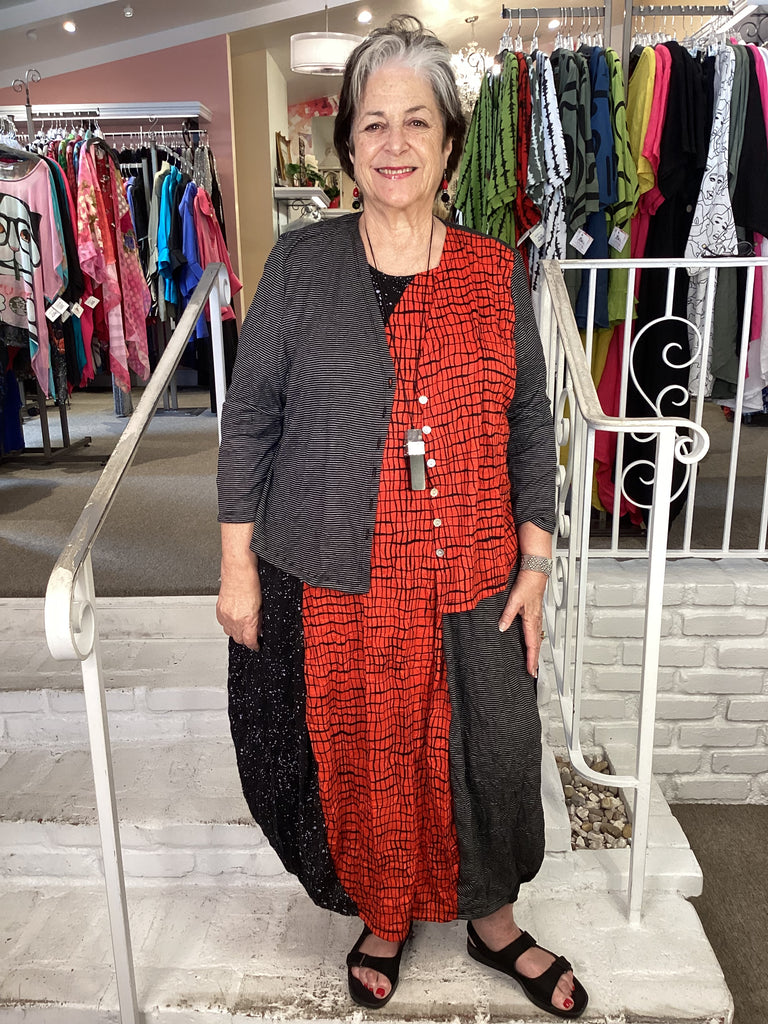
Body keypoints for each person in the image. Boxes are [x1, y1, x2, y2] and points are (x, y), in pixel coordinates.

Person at [216, 16, 588, 1021]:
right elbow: (249, 420)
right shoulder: (301, 266)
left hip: (471, 566)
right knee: (365, 749)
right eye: (373, 123)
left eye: (416, 121)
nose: (394, 143)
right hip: (336, 569)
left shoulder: (494, 271)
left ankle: (491, 919)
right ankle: (383, 912)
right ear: (347, 145)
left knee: (488, 751)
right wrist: (237, 566)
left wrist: (536, 561)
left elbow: (529, 419)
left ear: (450, 143)